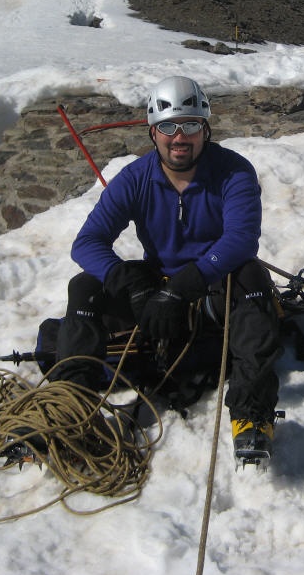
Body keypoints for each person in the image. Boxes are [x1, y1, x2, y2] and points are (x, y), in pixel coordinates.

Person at [52, 75, 282, 460]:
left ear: (205, 129)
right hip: (155, 290)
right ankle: (70, 408)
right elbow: (87, 242)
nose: (180, 138)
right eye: (168, 128)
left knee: (252, 276)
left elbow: (241, 240)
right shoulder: (136, 178)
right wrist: (128, 283)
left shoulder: (234, 172)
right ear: (152, 133)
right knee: (84, 287)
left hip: (213, 289)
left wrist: (185, 285)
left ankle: (251, 415)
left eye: (191, 125)